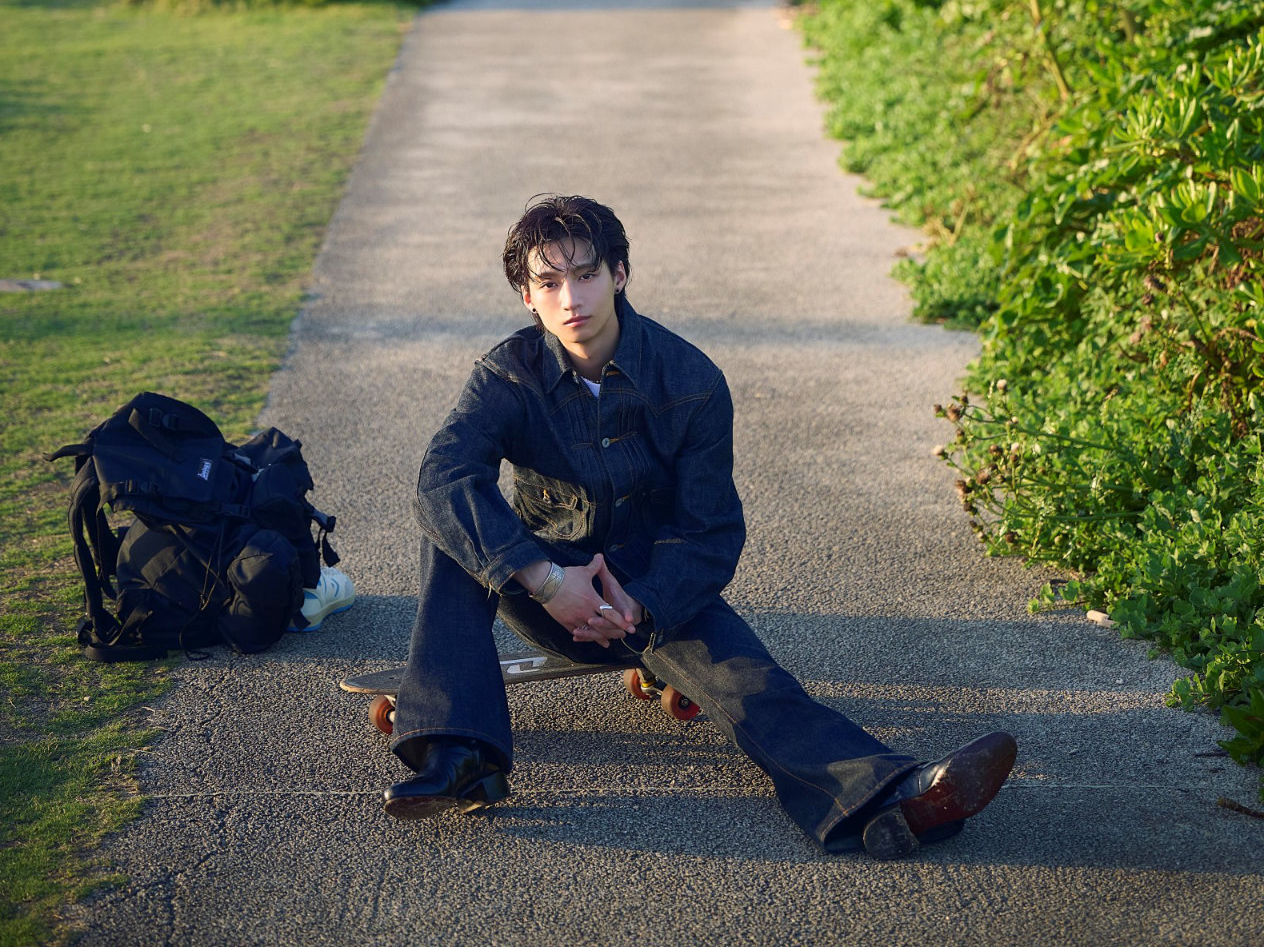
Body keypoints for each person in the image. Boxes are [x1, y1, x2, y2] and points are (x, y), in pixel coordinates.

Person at [383, 195, 1016, 857]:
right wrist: (545, 580)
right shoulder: (507, 375)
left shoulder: (692, 380)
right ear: (527, 296)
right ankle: (458, 756)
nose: (571, 298)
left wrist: (640, 600)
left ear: (620, 274)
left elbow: (710, 531)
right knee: (451, 521)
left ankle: (895, 799)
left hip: (652, 598)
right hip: (540, 584)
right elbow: (441, 480)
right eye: (549, 282)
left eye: (588, 274)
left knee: (755, 683)